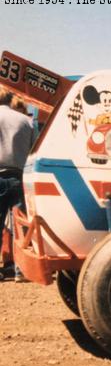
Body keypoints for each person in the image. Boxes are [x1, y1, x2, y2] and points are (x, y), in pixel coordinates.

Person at [0, 87, 34, 282]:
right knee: (20, 227)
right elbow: (32, 152)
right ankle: (20, 271)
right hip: (19, 177)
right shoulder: (26, 121)